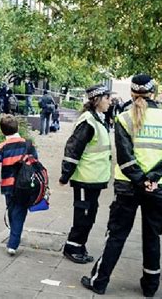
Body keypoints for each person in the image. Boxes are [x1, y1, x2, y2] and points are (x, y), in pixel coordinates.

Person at [81, 74, 162, 297]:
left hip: (128, 186)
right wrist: (152, 178)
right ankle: (150, 286)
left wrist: (141, 179)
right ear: (153, 93)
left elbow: (125, 158)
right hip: (157, 187)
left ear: (132, 93)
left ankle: (100, 282)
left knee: (116, 234)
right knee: (152, 236)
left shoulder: (124, 118)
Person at [59, 85, 114, 264]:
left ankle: (79, 246)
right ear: (97, 99)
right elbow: (73, 148)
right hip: (84, 178)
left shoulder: (99, 119)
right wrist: (65, 175)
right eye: (107, 98)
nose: (110, 101)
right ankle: (72, 248)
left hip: (94, 178)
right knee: (83, 215)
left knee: (89, 214)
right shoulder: (88, 121)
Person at [0, 115, 38, 255]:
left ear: (2, 131)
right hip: (25, 185)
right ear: (17, 127)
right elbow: (35, 163)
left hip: (9, 186)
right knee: (18, 211)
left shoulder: (2, 146)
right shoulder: (28, 144)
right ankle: (14, 236)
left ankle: (13, 242)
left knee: (12, 209)